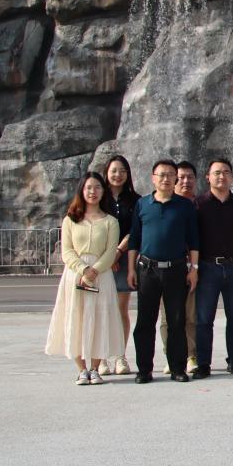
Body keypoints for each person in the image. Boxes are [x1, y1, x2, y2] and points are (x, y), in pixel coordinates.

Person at [46, 172, 124, 384]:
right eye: (89, 187)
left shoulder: (110, 221)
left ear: (103, 191)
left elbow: (111, 251)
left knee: (100, 318)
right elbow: (67, 251)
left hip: (101, 275)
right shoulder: (70, 220)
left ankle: (96, 367)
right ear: (82, 190)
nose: (93, 192)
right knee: (76, 318)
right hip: (76, 275)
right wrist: (83, 269)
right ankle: (81, 369)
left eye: (97, 187)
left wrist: (95, 270)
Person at [128, 159, 199, 383]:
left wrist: (194, 269)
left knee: (177, 321)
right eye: (161, 174)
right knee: (145, 322)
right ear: (153, 178)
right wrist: (131, 270)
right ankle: (144, 370)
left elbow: (193, 240)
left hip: (176, 269)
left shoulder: (184, 205)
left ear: (175, 178)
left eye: (170, 175)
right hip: (147, 269)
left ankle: (178, 368)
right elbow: (134, 240)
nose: (166, 179)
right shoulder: (142, 204)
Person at [192, 158, 233, 378]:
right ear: (208, 177)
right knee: (204, 319)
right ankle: (203, 364)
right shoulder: (198, 204)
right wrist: (194, 268)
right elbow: (193, 240)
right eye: (217, 172)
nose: (222, 176)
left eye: (226, 172)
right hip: (207, 267)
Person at [158, 161, 200, 375]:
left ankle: (191, 354)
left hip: (194, 266)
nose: (185, 181)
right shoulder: (164, 204)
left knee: (191, 315)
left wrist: (195, 266)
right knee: (168, 317)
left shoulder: (201, 204)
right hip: (168, 268)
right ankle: (171, 355)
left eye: (189, 177)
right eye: (181, 177)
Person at [100, 154, 139, 376]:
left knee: (121, 310)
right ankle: (101, 357)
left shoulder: (135, 200)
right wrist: (108, 256)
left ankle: (120, 356)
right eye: (114, 170)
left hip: (124, 259)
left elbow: (135, 230)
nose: (118, 175)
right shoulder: (98, 196)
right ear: (107, 172)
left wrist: (117, 253)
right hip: (101, 260)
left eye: (123, 171)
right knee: (102, 310)